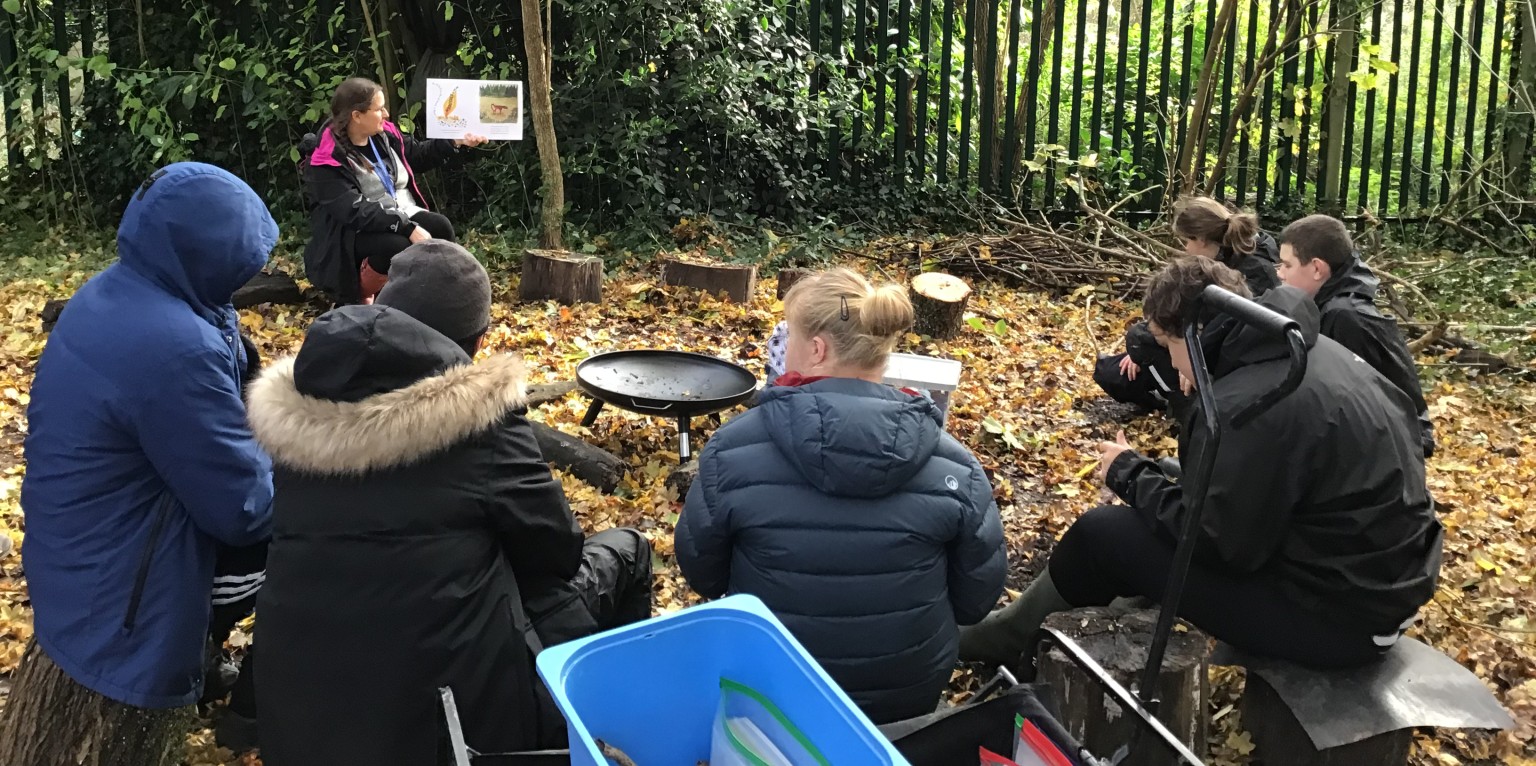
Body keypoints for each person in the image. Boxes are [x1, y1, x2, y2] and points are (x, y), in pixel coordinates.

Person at [249, 242, 653, 764]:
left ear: (383, 304)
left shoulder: (299, 412)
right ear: (478, 339)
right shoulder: (483, 428)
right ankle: (610, 733)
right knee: (627, 551)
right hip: (445, 722)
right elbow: (556, 555)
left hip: (298, 706)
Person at [959, 258, 1443, 675]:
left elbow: (1216, 544)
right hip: (1380, 588)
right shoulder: (1302, 349)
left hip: (1338, 622)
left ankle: (1002, 638)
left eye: (1169, 348)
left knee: (1102, 534)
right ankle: (1118, 607)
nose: (1173, 365)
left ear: (1194, 335)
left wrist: (1128, 472)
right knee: (1170, 475)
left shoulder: (1246, 404)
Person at [0, 163, 276, 766]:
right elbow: (244, 507)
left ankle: (210, 651)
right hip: (126, 603)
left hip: (78, 560)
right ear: (211, 255)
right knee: (300, 539)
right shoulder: (172, 347)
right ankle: (255, 694)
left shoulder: (124, 291)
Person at [675, 268, 1007, 724]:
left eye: (789, 336)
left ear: (816, 349)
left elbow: (702, 572)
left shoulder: (733, 449)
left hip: (776, 691)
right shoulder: (956, 465)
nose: (783, 347)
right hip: (905, 698)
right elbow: (976, 599)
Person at [300, 76, 488, 305]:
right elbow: (353, 210)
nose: (387, 114)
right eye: (379, 109)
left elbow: (417, 155)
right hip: (353, 231)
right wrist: (407, 227)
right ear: (357, 116)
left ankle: (442, 299)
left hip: (399, 213)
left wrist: (454, 142)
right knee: (397, 246)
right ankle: (361, 296)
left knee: (441, 227)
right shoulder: (325, 159)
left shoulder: (385, 134)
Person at [1095, 197, 1280, 413]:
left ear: (1201, 238)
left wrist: (1180, 353)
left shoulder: (1255, 271)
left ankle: (1180, 404)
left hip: (1223, 362)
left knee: (1139, 345)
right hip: (1192, 343)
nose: (1185, 248)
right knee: (1113, 369)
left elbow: (1228, 333)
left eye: (1187, 241)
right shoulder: (1219, 260)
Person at [1277, 214, 1436, 457]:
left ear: (1317, 268)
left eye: (1287, 265)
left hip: (1385, 454)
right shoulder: (1327, 305)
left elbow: (1357, 406)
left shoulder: (1346, 318)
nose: (1280, 274)